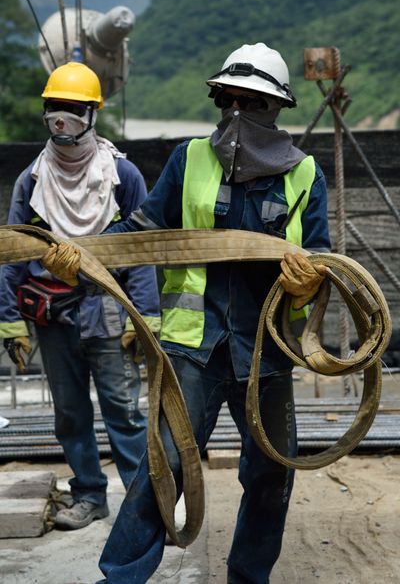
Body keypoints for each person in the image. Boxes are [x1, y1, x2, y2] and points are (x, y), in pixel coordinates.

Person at [42, 43, 330, 583]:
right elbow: (140, 233)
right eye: (231, 102)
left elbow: (320, 262)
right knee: (164, 466)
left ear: (277, 109)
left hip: (266, 353)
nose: (240, 116)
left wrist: (308, 282)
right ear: (219, 101)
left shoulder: (304, 176)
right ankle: (121, 576)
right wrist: (82, 258)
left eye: (255, 104)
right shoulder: (189, 159)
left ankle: (248, 577)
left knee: (270, 475)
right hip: (192, 347)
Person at [0, 62, 160, 531]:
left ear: (92, 113)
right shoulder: (32, 182)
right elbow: (11, 253)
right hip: (51, 317)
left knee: (124, 412)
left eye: (72, 108)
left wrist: (144, 318)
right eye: (54, 108)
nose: (61, 118)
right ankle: (90, 495)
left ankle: (140, 505)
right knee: (70, 413)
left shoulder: (122, 177)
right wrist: (9, 320)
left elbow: (141, 250)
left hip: (107, 311)